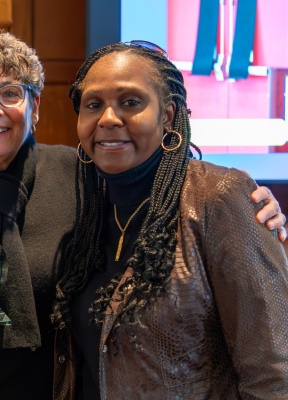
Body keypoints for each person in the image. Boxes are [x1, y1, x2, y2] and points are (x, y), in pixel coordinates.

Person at [0, 31, 285, 400]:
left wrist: (251, 209)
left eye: (10, 93)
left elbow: (165, 186)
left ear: (35, 106)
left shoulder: (81, 175)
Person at [52, 41, 288, 399]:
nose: (108, 118)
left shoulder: (220, 198)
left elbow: (274, 373)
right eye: (93, 105)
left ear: (167, 115)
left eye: (130, 102)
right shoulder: (87, 210)